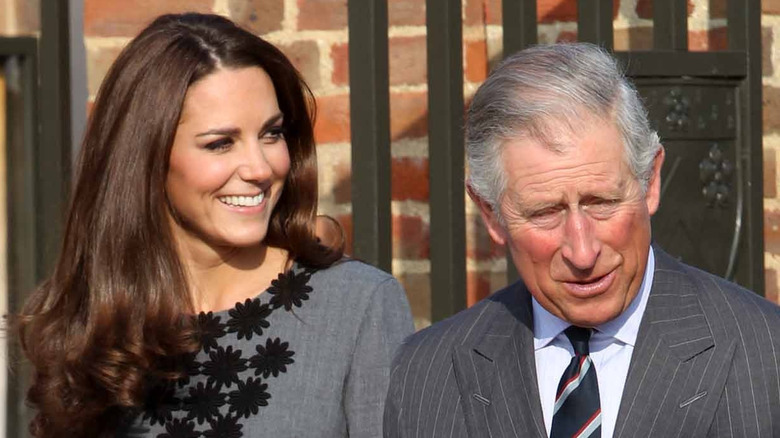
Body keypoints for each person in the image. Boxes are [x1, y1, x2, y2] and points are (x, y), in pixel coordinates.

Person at [16, 13, 413, 438]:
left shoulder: (357, 306)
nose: (260, 168)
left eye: (271, 133)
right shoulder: (94, 320)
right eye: (220, 143)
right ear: (147, 159)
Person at [384, 43, 780, 437]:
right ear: (491, 213)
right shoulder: (426, 377)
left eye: (602, 203)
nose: (583, 251)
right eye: (545, 213)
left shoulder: (766, 355)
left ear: (651, 182)